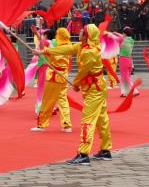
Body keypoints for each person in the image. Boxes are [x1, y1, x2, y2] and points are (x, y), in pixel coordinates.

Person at [38, 24, 113, 165]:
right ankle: (105, 150)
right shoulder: (82, 46)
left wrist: (76, 83)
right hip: (95, 87)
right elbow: (68, 48)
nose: (78, 33)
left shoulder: (89, 51)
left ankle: (83, 153)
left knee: (88, 120)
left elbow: (84, 71)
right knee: (102, 118)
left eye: (81, 32)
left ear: (87, 36)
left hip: (94, 88)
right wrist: (46, 51)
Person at [30, 27, 73, 133]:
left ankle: (42, 125)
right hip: (63, 75)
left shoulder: (59, 45)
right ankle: (67, 125)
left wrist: (39, 52)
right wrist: (37, 37)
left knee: (47, 100)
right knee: (63, 100)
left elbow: (52, 51)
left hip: (55, 76)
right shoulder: (69, 46)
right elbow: (47, 47)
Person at [118, 27, 139, 97]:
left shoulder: (122, 40)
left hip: (123, 59)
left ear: (124, 33)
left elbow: (118, 39)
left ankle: (134, 90)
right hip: (129, 59)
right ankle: (125, 92)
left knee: (125, 77)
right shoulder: (131, 40)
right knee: (126, 76)